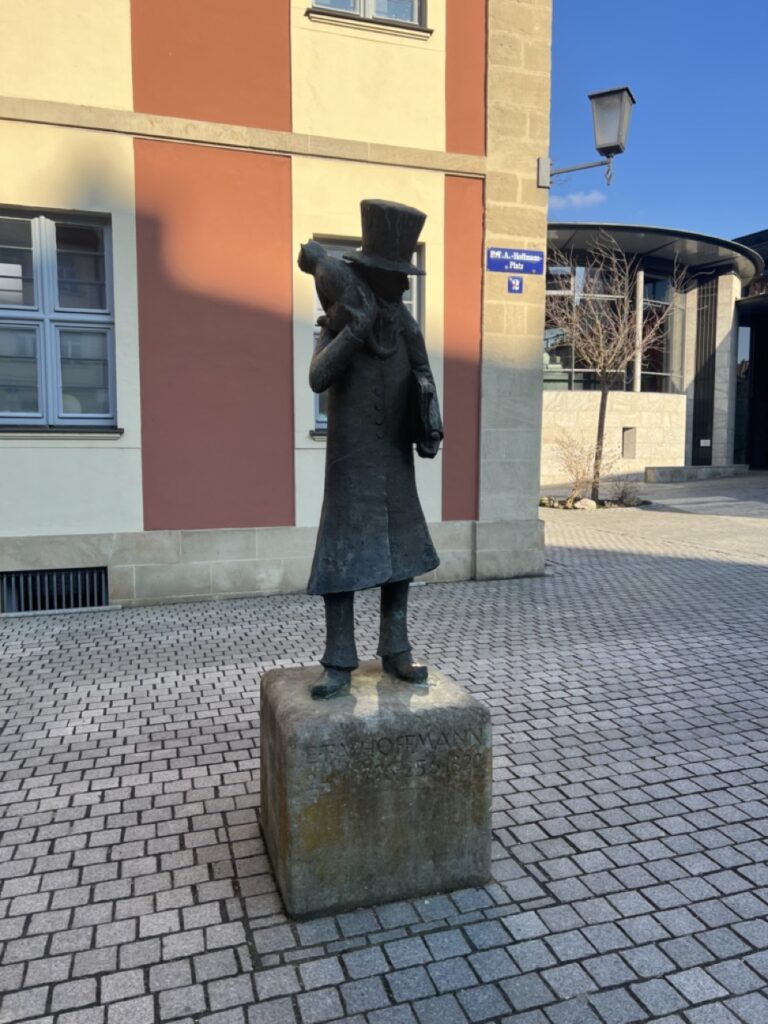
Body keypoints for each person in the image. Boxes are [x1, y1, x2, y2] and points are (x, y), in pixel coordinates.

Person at [299, 199, 442, 699]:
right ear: (373, 273)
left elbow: (423, 373)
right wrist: (353, 331)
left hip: (393, 455)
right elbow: (318, 378)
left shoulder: (405, 324)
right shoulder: (340, 319)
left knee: (399, 552)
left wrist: (430, 420)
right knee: (341, 554)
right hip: (351, 459)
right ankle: (338, 659)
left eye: (406, 277)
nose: (404, 285)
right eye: (396, 275)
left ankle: (395, 648)